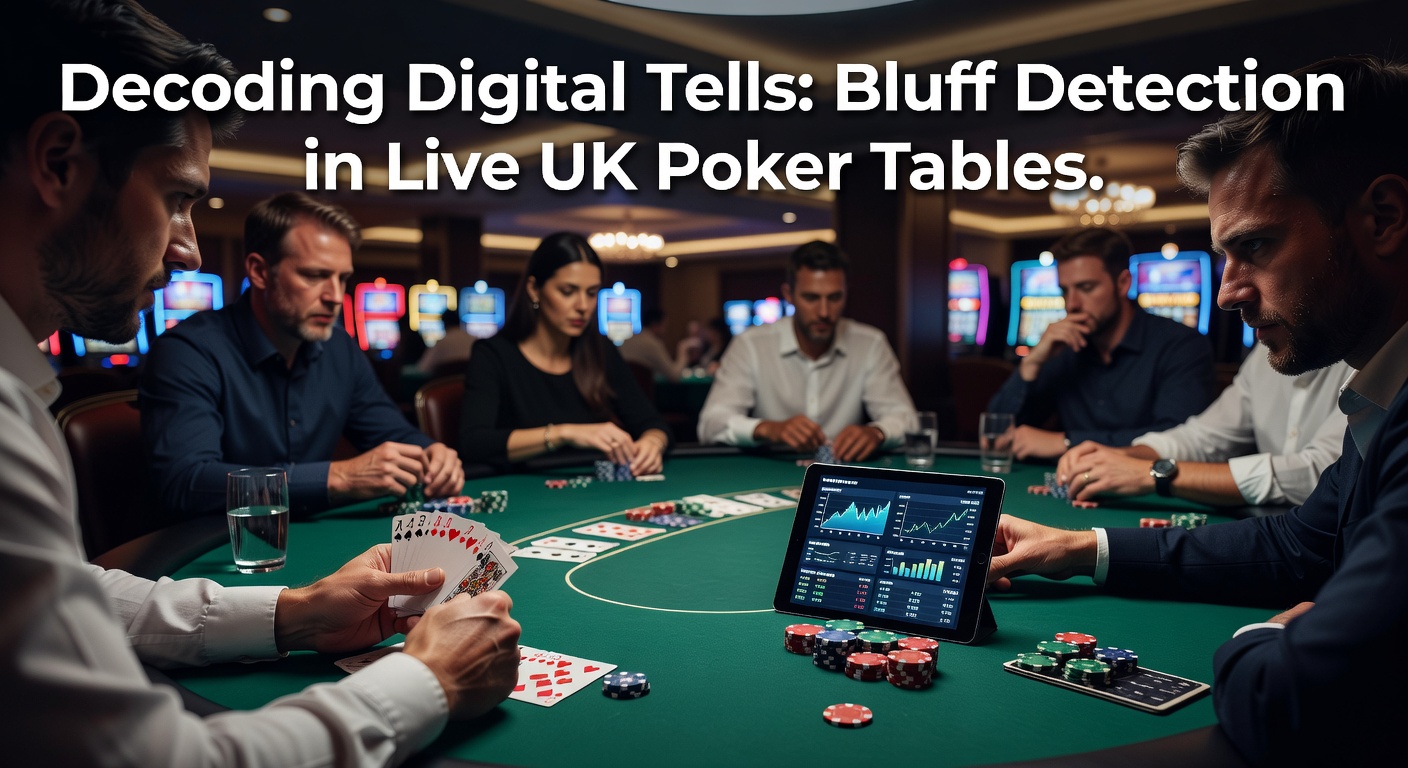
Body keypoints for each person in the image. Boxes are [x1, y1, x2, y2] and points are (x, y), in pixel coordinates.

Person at [0, 3, 519, 765]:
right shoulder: (170, 356)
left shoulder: (338, 353)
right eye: (177, 198)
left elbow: (79, 595)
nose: (185, 253)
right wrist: (426, 681)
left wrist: (296, 612)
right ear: (57, 163)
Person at [986, 55, 1408, 763]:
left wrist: (1265, 639)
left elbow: (1284, 695)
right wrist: (1080, 548)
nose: (1227, 293)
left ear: (1384, 219)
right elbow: (1298, 545)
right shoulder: (1381, 392)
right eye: (1223, 256)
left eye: (1256, 246)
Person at [141, 192, 465, 517]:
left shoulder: (341, 349)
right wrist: (337, 477)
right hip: (211, 551)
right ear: (260, 271)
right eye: (315, 275)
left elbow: (393, 433)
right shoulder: (187, 351)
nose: (336, 297)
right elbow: (185, 481)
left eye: (343, 278)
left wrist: (432, 453)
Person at [987, 228, 1215, 460]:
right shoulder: (1065, 348)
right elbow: (996, 437)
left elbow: (1180, 440)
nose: (1072, 304)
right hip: (1076, 487)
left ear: (1123, 283)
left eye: (1086, 288)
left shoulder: (1181, 345)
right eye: (1065, 291)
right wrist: (1032, 362)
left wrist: (1066, 442)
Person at [459, 232, 672, 474]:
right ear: (534, 289)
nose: (582, 306)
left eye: (591, 293)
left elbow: (653, 424)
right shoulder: (493, 355)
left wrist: (652, 443)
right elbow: (474, 442)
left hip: (593, 493)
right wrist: (565, 433)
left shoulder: (600, 351)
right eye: (568, 291)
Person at [697, 241, 918, 461]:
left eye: (834, 297)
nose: (824, 312)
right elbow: (711, 424)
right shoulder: (750, 344)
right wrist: (768, 429)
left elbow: (906, 419)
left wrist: (877, 433)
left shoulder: (871, 343)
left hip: (840, 471)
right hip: (769, 469)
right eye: (811, 298)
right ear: (789, 294)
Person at [1055, 346, 1351, 506]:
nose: (1226, 297)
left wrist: (1154, 474)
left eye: (1258, 247)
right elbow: (1204, 436)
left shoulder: (1378, 357)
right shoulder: (1265, 352)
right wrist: (1124, 456)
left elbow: (1322, 471)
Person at [619, 307, 696, 382]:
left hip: (621, 391)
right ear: (655, 325)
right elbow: (674, 375)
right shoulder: (652, 343)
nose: (666, 331)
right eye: (665, 326)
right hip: (642, 393)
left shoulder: (627, 340)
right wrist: (683, 349)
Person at [417, 309, 475, 376]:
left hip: (445, 385)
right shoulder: (474, 340)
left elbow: (424, 368)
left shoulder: (442, 343)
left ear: (444, 324)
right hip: (473, 385)